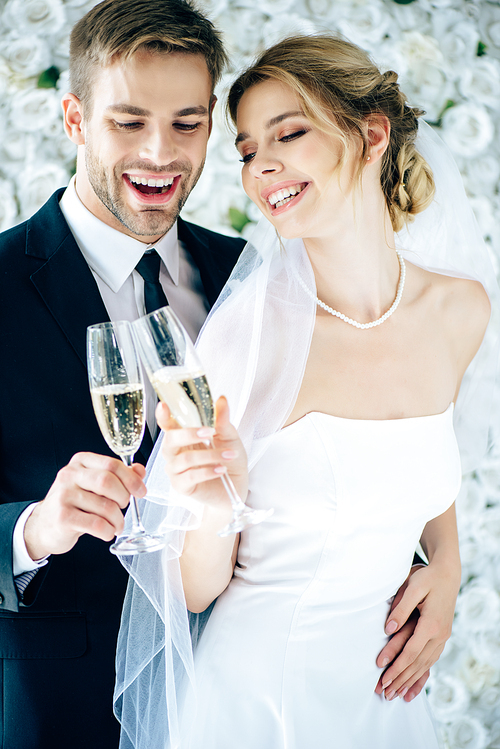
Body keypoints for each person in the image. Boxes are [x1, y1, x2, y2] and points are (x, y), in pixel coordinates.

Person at [114, 34, 499, 748]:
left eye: (289, 133)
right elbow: (193, 589)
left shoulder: (463, 311)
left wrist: (446, 565)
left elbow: (423, 463)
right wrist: (210, 494)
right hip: (261, 704)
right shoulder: (247, 339)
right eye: (246, 149)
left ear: (372, 134)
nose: (262, 166)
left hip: (388, 703)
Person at [0, 1, 245, 747]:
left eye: (186, 122)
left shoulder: (247, 276)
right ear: (75, 119)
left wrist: (416, 564)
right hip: (69, 709)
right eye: (128, 121)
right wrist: (35, 528)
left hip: (241, 693)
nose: (161, 153)